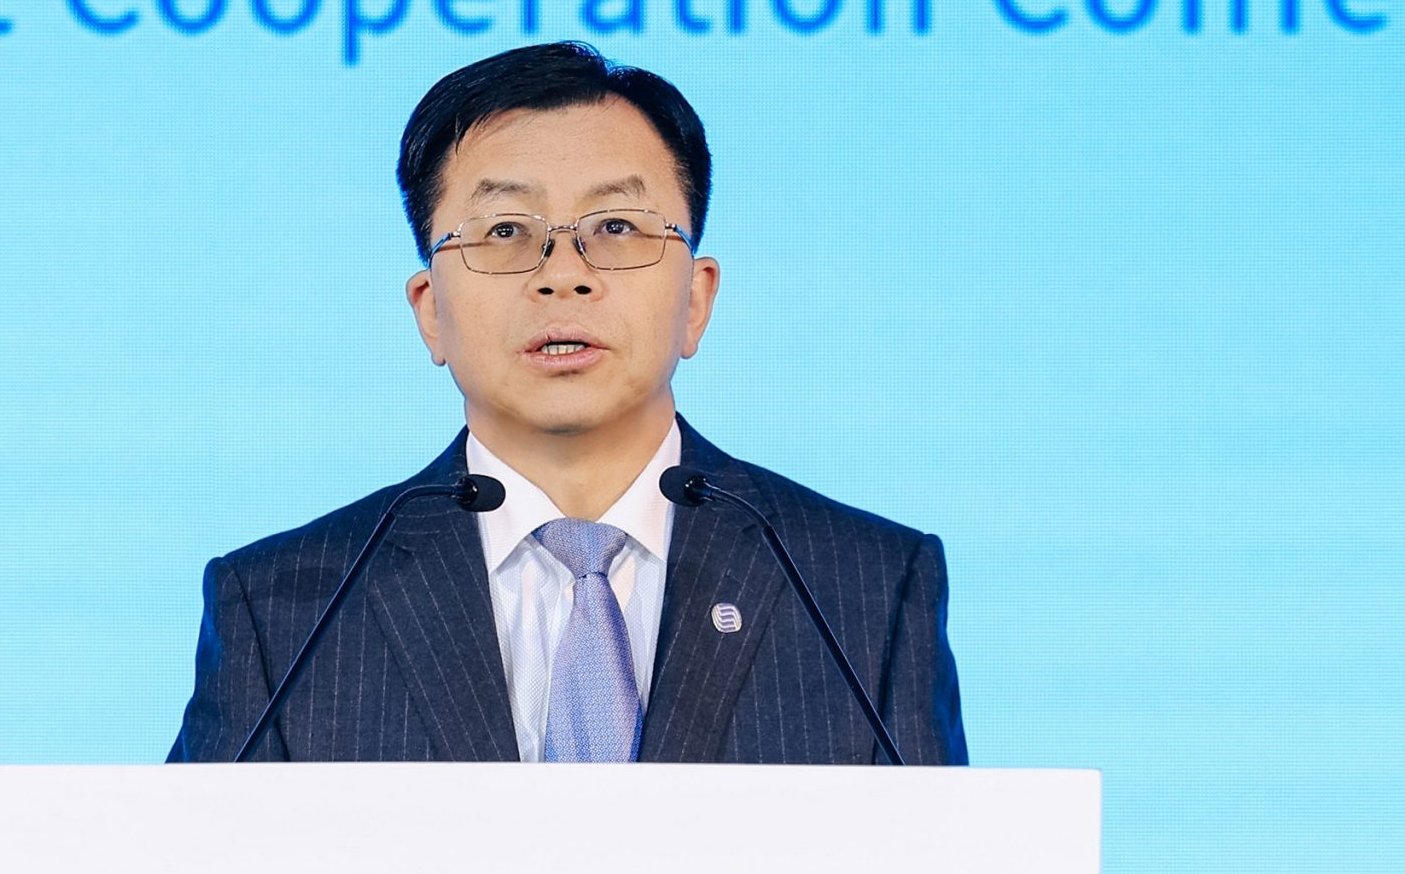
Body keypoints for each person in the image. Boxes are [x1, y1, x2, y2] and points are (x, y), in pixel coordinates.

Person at [168, 41, 965, 764]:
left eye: (615, 225)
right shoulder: (286, 612)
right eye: (504, 231)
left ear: (696, 299)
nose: (562, 274)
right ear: (430, 310)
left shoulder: (864, 591)